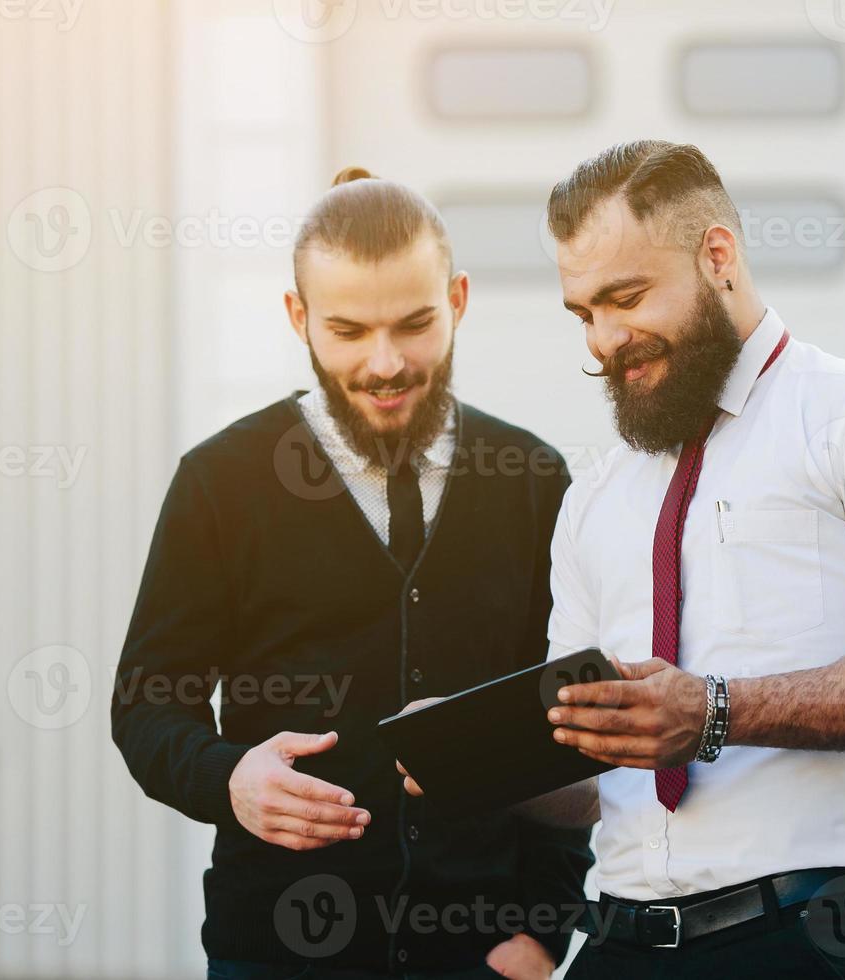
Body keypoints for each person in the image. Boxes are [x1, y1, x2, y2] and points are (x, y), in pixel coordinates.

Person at [539, 140, 845, 979]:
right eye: (583, 313)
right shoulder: (593, 497)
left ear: (717, 255)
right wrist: (462, 764)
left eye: (626, 298)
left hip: (806, 938)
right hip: (617, 946)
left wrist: (716, 712)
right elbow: (589, 780)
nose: (604, 341)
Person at [111, 168, 591, 980]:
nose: (386, 364)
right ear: (298, 317)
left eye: (415, 324)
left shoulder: (535, 480)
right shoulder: (219, 482)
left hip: (480, 961)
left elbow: (571, 730)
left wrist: (545, 930)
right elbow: (148, 705)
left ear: (460, 300)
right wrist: (230, 779)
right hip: (274, 954)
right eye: (348, 330)